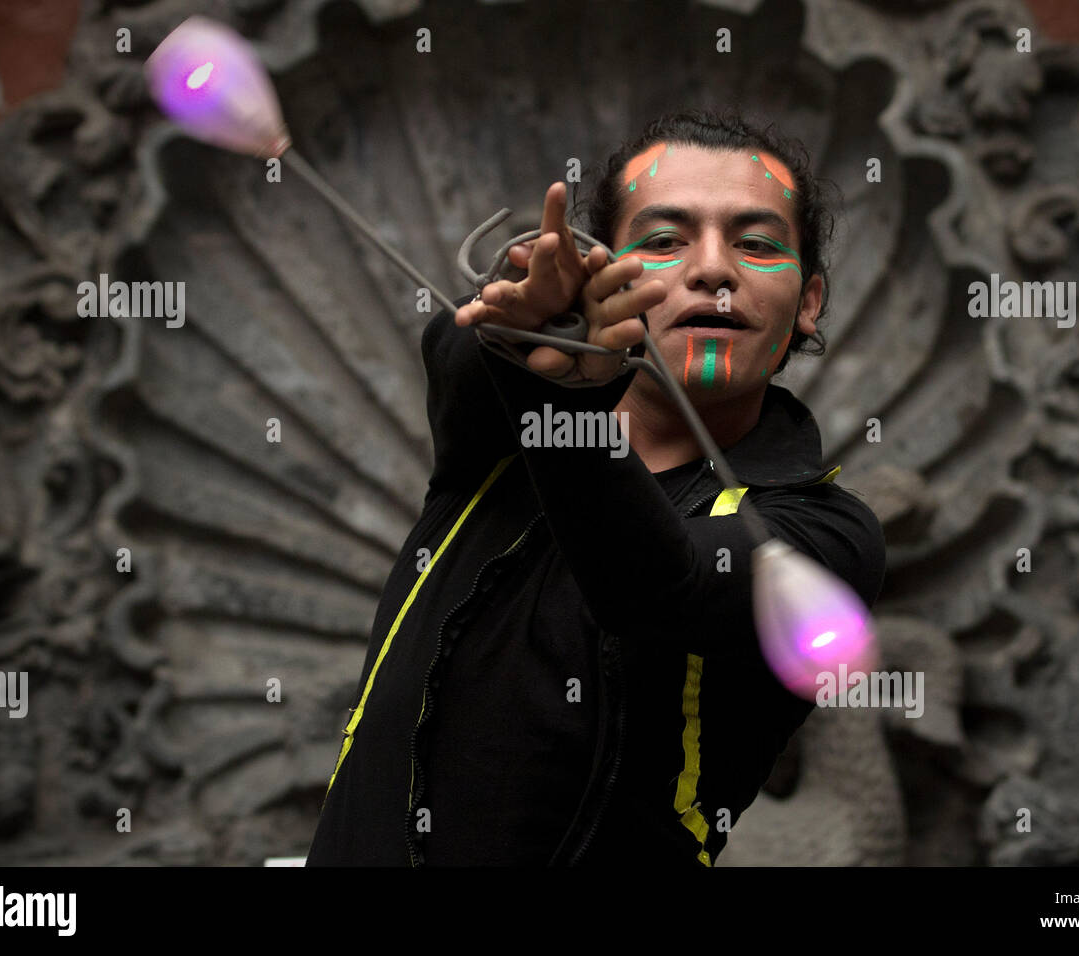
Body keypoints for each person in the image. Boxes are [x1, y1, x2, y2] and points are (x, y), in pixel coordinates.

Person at [305, 108, 886, 867]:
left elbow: (655, 584)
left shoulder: (827, 535)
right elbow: (459, 353)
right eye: (665, 240)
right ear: (601, 275)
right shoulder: (499, 439)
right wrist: (529, 321)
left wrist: (565, 398)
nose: (713, 269)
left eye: (755, 243)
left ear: (808, 303)